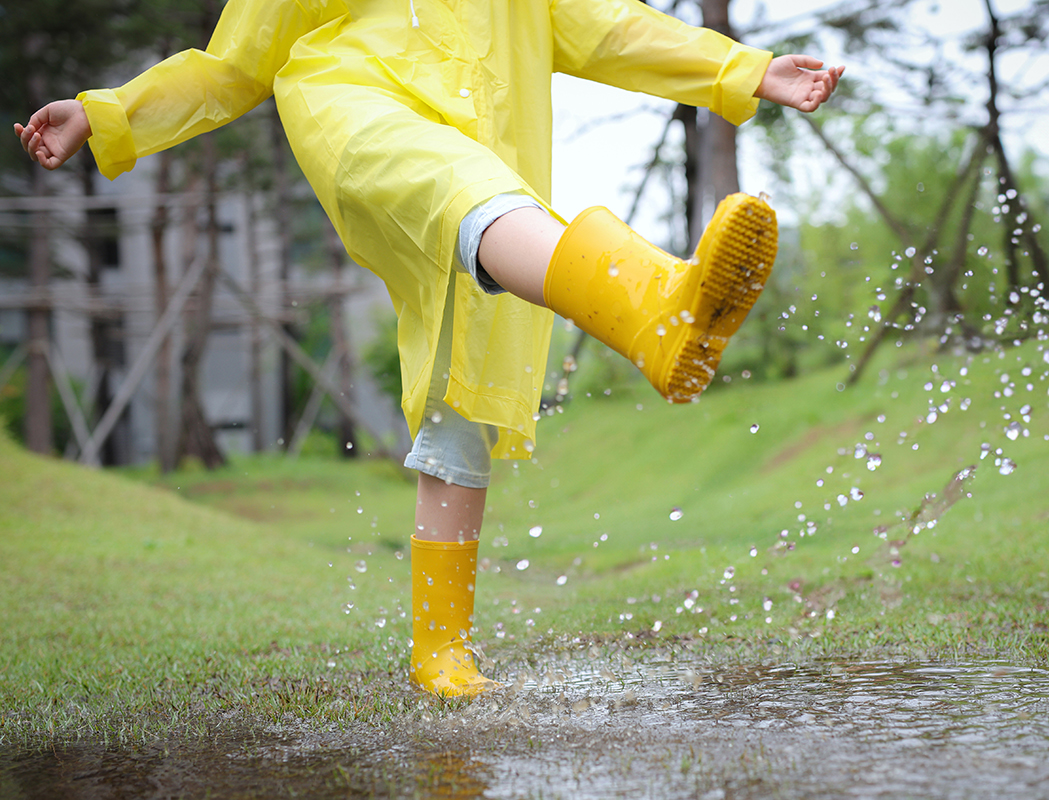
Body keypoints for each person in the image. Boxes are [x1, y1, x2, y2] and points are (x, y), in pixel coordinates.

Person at [15, 0, 843, 698]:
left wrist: (748, 70)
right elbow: (230, 66)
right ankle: (649, 308)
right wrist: (107, 111)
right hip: (355, 110)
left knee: (463, 395)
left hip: (494, 156)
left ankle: (440, 649)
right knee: (458, 189)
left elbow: (609, 28)